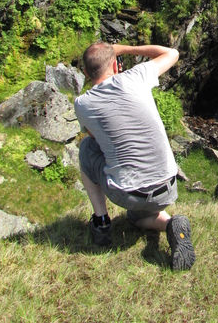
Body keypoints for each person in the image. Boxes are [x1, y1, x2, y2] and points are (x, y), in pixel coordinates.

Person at [74, 41, 196, 271]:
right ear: (115, 63)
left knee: (86, 148)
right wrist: (125, 49)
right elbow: (172, 53)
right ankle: (171, 224)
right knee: (136, 218)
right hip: (168, 187)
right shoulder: (136, 76)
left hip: (129, 193)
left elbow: (96, 138)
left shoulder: (83, 104)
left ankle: (101, 222)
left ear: (86, 73)